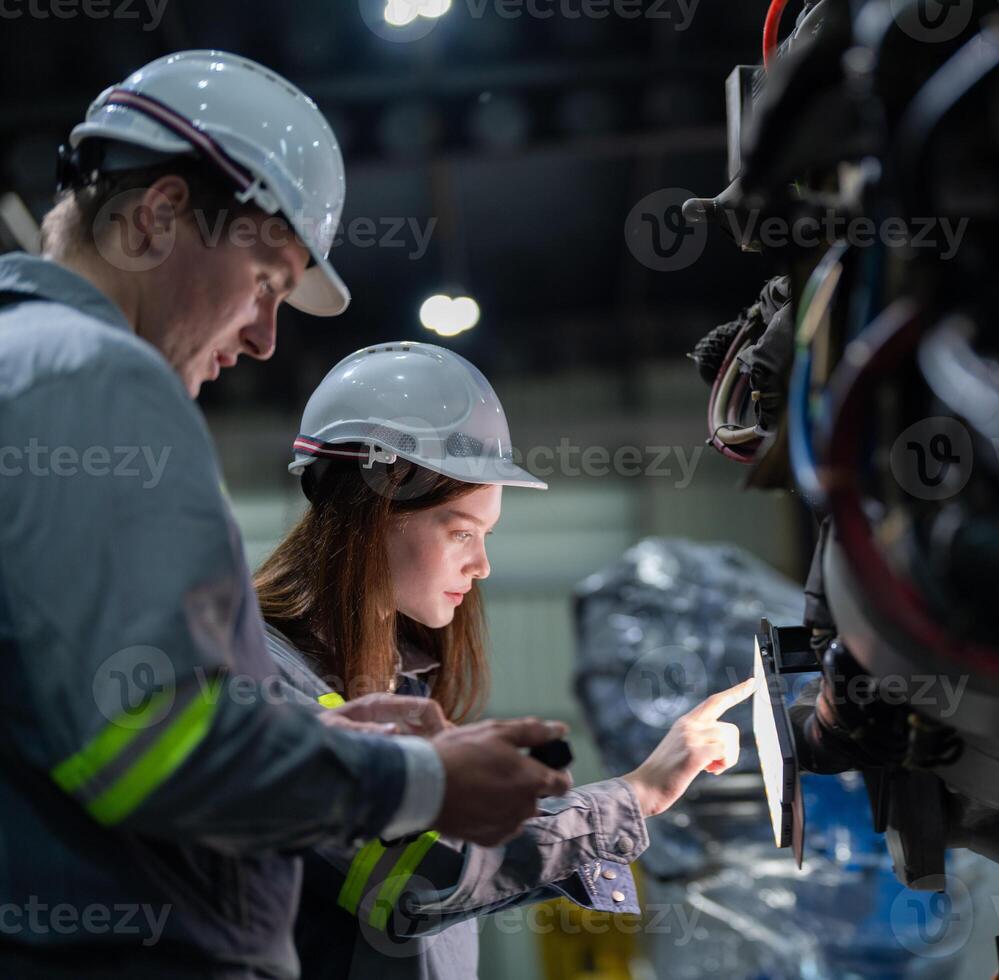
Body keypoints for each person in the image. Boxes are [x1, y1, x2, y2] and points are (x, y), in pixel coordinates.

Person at [0, 51, 569, 978]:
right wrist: (424, 781)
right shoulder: (97, 378)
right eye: (266, 279)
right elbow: (146, 746)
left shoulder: (24, 362)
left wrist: (310, 738)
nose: (266, 335)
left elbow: (85, 720)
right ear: (158, 218)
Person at [251, 340, 754, 977]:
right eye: (461, 531)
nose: (482, 565)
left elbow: (463, 876)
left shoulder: (399, 686)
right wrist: (636, 794)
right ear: (375, 505)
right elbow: (418, 874)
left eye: (484, 536)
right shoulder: (265, 680)